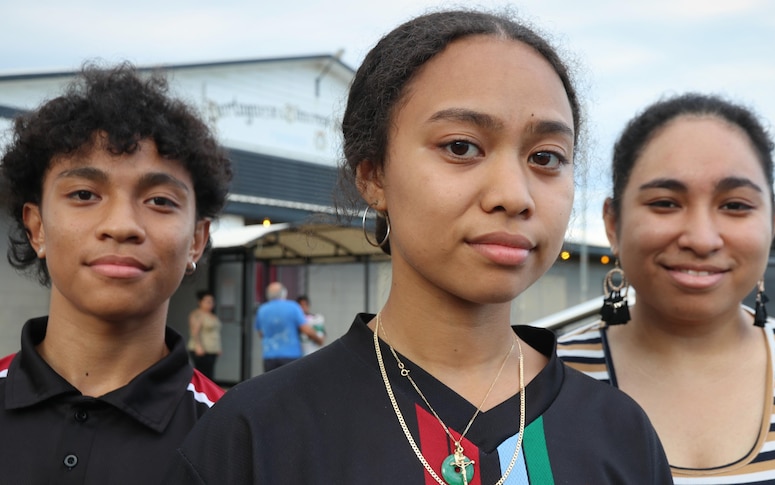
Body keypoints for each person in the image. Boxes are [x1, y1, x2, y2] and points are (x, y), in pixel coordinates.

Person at [164, 9, 671, 484]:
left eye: (546, 156)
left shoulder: (621, 434)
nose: (514, 195)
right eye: (460, 147)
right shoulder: (254, 435)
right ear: (373, 175)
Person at [558, 93, 775, 483]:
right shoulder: (544, 381)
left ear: (772, 224)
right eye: (666, 203)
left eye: (735, 206)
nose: (702, 240)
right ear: (613, 223)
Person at [0, 62, 233, 484]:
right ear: (36, 228)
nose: (123, 225)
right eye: (85, 194)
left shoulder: (237, 437)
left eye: (161, 200)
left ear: (196, 241)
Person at [255, 282, 324, 371]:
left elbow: (261, 334)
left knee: (271, 384)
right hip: (290, 356)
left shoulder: (262, 310)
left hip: (269, 356)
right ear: (284, 293)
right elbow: (305, 330)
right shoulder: (293, 307)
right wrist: (318, 339)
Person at [188, 290, 222, 379]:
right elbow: (195, 331)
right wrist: (198, 346)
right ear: (200, 302)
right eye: (207, 301)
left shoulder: (212, 315)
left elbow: (216, 332)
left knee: (210, 373)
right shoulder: (198, 314)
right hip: (202, 349)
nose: (210, 304)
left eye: (211, 301)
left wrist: (218, 347)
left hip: (212, 349)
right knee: (202, 374)